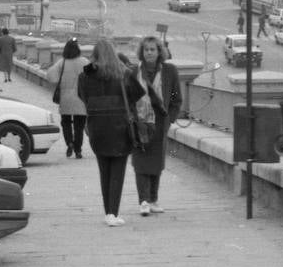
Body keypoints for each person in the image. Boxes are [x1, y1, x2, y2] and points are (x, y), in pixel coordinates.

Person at [78, 38, 146, 227]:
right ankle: (112, 213)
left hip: (97, 128)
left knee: (104, 171)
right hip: (120, 127)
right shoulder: (124, 74)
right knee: (118, 171)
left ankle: (108, 211)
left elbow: (82, 96)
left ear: (95, 55)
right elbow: (138, 94)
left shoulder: (85, 76)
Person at [130, 36, 183, 216]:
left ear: (159, 51)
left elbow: (177, 98)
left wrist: (170, 119)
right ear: (141, 52)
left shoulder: (170, 71)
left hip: (160, 123)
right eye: (146, 49)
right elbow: (127, 97)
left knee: (156, 163)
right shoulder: (133, 72)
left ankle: (153, 199)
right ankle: (143, 201)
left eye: (153, 49)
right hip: (140, 123)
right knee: (140, 163)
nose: (149, 53)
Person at [46, 38, 89, 159]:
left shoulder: (62, 62)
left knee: (66, 123)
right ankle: (78, 150)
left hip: (65, 98)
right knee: (79, 126)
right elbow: (93, 76)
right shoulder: (84, 62)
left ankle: (69, 143)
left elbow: (51, 76)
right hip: (81, 98)